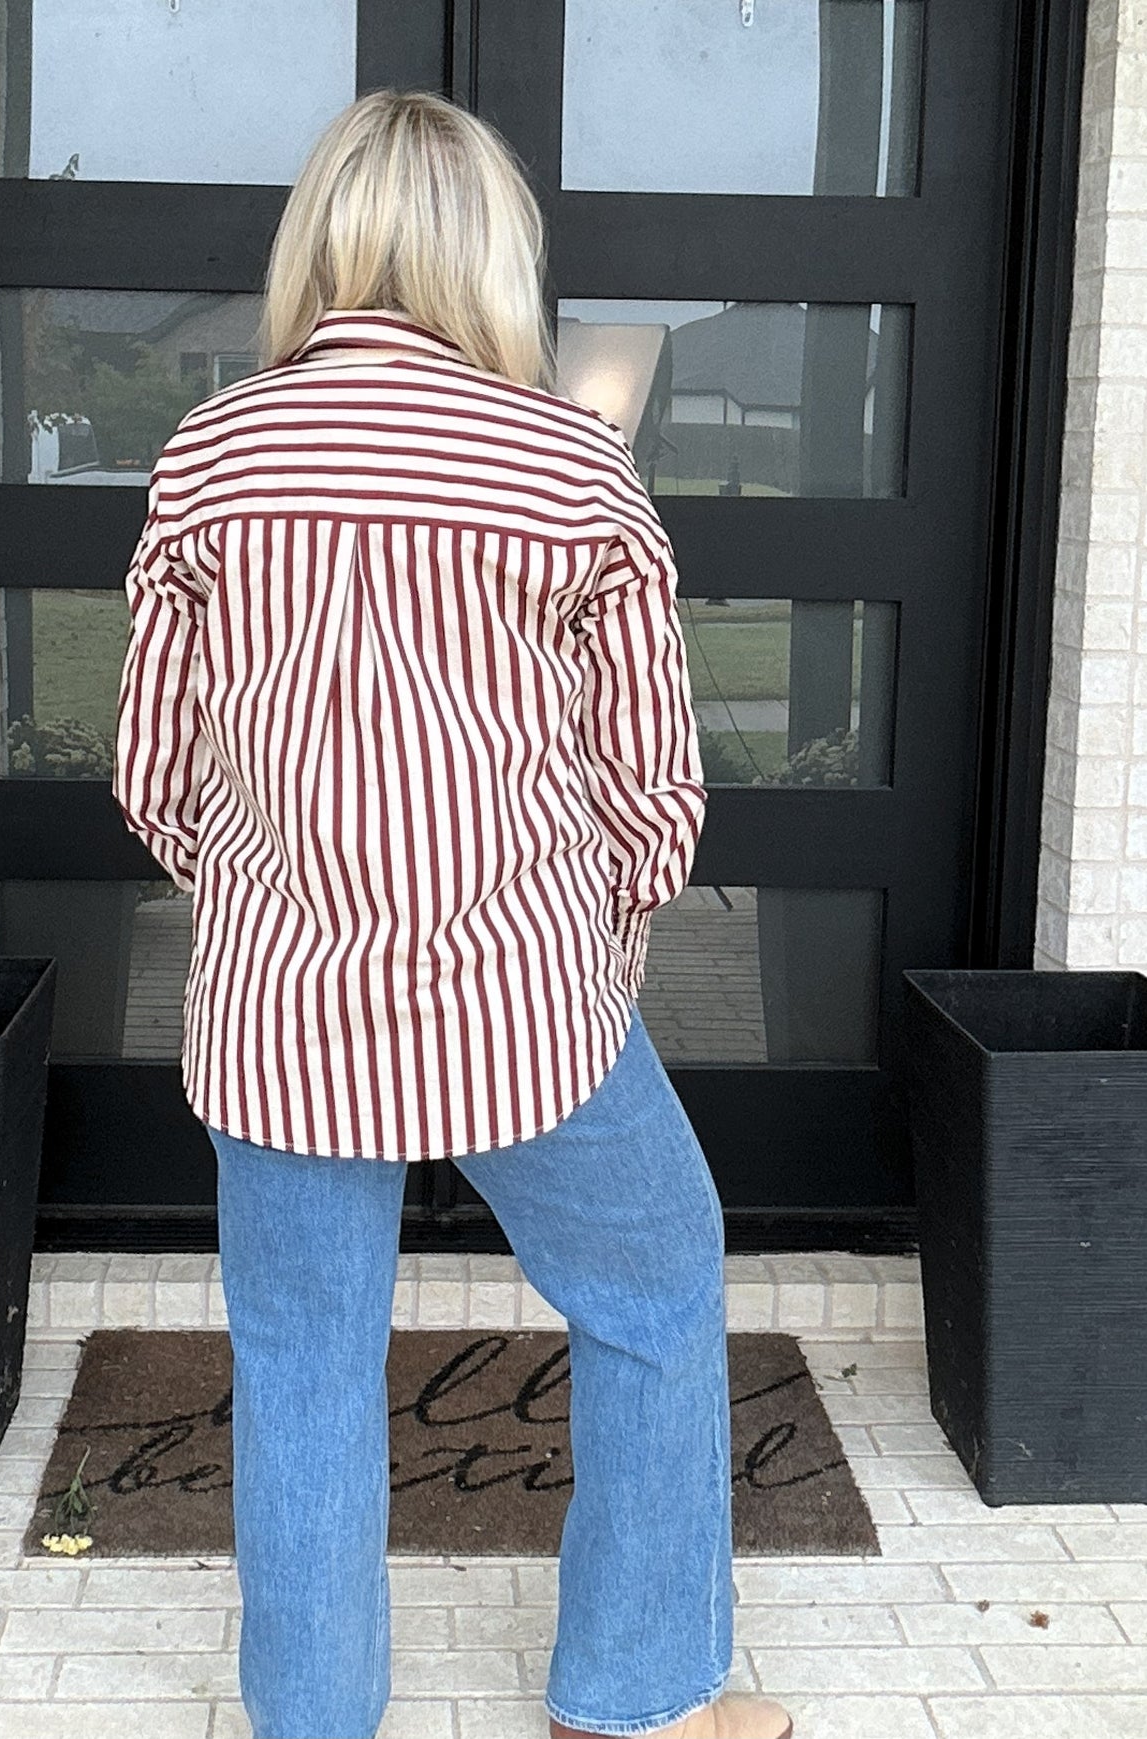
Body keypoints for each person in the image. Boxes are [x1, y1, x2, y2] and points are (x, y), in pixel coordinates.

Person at [112, 87, 792, 1739]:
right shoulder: (571, 464)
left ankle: (315, 1719)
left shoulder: (212, 452)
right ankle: (633, 1694)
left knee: (298, 1363)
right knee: (654, 1292)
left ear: (322, 240)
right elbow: (649, 790)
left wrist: (280, 892)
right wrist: (592, 942)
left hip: (279, 1008)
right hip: (528, 1003)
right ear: (493, 250)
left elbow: (149, 767)